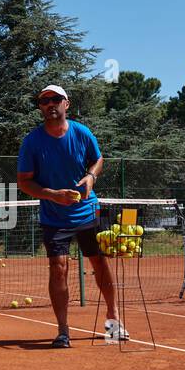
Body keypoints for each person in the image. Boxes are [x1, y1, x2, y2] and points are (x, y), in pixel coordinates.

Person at [16, 85, 127, 348]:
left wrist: (91, 176)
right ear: (40, 107)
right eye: (44, 101)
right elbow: (24, 182)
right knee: (58, 269)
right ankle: (63, 331)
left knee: (100, 264)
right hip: (54, 217)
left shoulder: (82, 133)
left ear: (67, 104)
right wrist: (52, 194)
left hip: (88, 213)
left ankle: (114, 321)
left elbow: (98, 159)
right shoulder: (32, 141)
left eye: (55, 99)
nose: (49, 104)